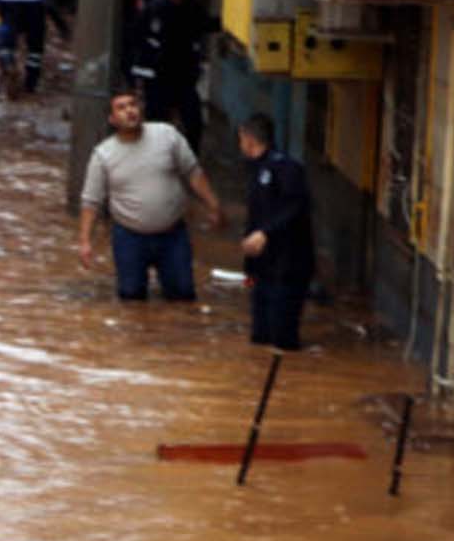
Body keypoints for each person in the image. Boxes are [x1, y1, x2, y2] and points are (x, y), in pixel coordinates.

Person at [78, 86, 224, 301]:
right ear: (112, 119)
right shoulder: (103, 155)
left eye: (133, 104)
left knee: (183, 296)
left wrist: (213, 205)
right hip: (129, 236)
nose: (129, 111)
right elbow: (91, 201)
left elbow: (193, 172)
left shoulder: (166, 135)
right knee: (131, 298)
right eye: (121, 108)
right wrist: (84, 241)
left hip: (173, 234)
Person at [237, 113, 316, 350]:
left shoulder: (286, 169)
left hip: (288, 264)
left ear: (248, 139)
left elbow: (295, 207)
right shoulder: (256, 169)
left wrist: (265, 233)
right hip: (262, 266)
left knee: (282, 338)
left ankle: (286, 381)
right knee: (260, 335)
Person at [131, 0, 209, 151]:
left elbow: (204, 27)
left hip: (184, 78)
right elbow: (138, 38)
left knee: (193, 123)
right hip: (159, 78)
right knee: (156, 123)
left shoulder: (192, 10)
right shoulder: (154, 11)